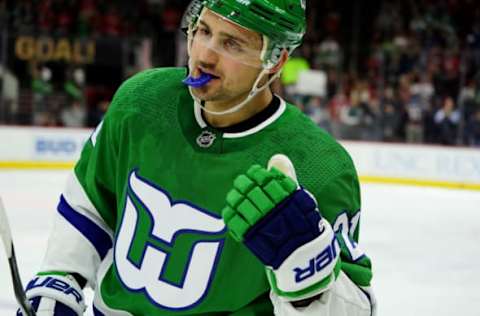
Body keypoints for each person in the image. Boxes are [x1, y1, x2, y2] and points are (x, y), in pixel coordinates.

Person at [18, 1, 375, 315]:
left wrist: (308, 276)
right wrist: (60, 277)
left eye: (231, 43)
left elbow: (357, 308)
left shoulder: (321, 167)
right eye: (203, 30)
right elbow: (91, 203)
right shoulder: (141, 101)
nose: (204, 54)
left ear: (275, 60)